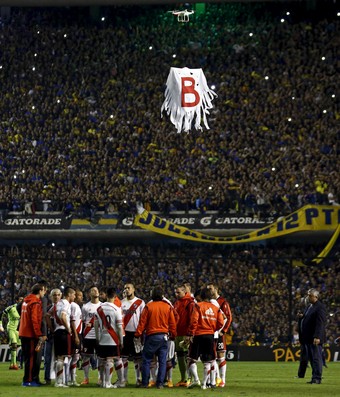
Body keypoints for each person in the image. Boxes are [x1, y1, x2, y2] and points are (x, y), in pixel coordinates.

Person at [134, 285, 177, 389]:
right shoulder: (167, 307)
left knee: (147, 360)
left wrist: (137, 335)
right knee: (162, 361)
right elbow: (172, 323)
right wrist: (173, 335)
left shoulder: (149, 306)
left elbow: (142, 322)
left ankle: (145, 383)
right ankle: (160, 383)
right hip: (164, 337)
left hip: (151, 336)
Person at [187, 287, 224, 390]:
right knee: (209, 361)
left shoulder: (198, 306)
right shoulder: (215, 308)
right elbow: (221, 322)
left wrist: (190, 334)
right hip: (210, 336)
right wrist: (213, 329)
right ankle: (205, 384)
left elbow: (194, 321)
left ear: (201, 296)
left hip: (198, 335)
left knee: (191, 359)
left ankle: (196, 380)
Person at [94, 287, 124, 388]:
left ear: (106, 295)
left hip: (102, 337)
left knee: (102, 360)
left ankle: (102, 381)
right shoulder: (117, 309)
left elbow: (96, 325)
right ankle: (108, 383)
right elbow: (119, 327)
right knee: (112, 360)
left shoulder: (99, 308)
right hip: (113, 338)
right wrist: (121, 340)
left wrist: (97, 338)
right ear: (115, 296)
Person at [18, 283, 47, 387]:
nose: (44, 292)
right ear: (40, 291)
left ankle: (30, 379)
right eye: (43, 290)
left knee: (28, 358)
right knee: (30, 358)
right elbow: (34, 320)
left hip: (23, 332)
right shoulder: (35, 303)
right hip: (30, 334)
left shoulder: (26, 301)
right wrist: (39, 334)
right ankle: (28, 381)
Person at [207, 282, 232, 388]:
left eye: (211, 288)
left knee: (220, 356)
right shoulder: (207, 301)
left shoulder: (223, 302)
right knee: (211, 357)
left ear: (216, 289)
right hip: (210, 333)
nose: (209, 291)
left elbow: (228, 317)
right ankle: (215, 379)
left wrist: (223, 331)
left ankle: (223, 380)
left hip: (219, 333)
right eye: (208, 289)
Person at [299, 288, 327, 384]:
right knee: (312, 358)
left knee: (316, 358)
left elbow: (320, 323)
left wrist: (317, 336)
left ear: (316, 296)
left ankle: (317, 378)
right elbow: (307, 319)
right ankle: (314, 377)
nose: (308, 297)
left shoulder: (320, 307)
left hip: (314, 337)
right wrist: (302, 316)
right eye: (308, 295)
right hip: (308, 338)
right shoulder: (309, 306)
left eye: (310, 295)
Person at [173, 283, 197, 387]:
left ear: (184, 292)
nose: (176, 294)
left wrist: (190, 333)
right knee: (180, 356)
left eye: (178, 292)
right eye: (175, 292)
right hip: (177, 333)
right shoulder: (177, 302)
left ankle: (190, 378)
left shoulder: (190, 303)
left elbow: (192, 319)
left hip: (185, 334)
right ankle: (183, 378)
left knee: (187, 356)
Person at [121, 282, 145, 386]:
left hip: (136, 334)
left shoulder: (140, 302)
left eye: (129, 288)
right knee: (124, 357)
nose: (127, 290)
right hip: (125, 334)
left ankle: (138, 379)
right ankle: (124, 379)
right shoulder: (121, 303)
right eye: (125, 288)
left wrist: (140, 333)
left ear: (133, 289)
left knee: (138, 358)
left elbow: (143, 319)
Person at [53, 286, 76, 387]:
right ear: (69, 294)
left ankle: (58, 381)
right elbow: (63, 316)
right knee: (61, 358)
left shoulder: (59, 303)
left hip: (57, 331)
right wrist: (68, 328)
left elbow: (48, 315)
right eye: (74, 294)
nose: (74, 296)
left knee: (59, 357)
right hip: (63, 331)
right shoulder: (66, 303)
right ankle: (59, 382)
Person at [80, 285, 101, 385]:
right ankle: (86, 378)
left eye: (96, 290)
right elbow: (83, 321)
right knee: (86, 357)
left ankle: (100, 378)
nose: (95, 291)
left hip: (100, 336)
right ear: (89, 294)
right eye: (93, 290)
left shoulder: (103, 306)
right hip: (88, 335)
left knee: (101, 357)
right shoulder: (85, 307)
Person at [0, 295, 24, 370]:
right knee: (14, 344)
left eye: (23, 300)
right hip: (11, 328)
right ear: (17, 300)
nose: (22, 301)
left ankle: (16, 363)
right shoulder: (11, 308)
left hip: (19, 330)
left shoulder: (24, 309)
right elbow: (1, 314)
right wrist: (0, 325)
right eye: (20, 299)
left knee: (18, 347)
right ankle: (13, 365)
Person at [44, 288, 62, 384]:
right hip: (49, 337)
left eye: (58, 294)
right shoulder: (47, 309)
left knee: (61, 358)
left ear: (61, 296)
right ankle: (47, 378)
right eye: (54, 295)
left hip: (60, 336)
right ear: (51, 297)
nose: (56, 296)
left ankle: (61, 378)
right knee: (47, 358)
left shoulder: (64, 308)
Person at [69, 289, 83, 386]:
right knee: (73, 357)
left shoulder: (77, 306)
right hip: (75, 334)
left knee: (75, 357)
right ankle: (71, 378)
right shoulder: (73, 306)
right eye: (79, 295)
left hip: (78, 333)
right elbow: (73, 321)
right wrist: (76, 336)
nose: (81, 297)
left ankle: (71, 377)